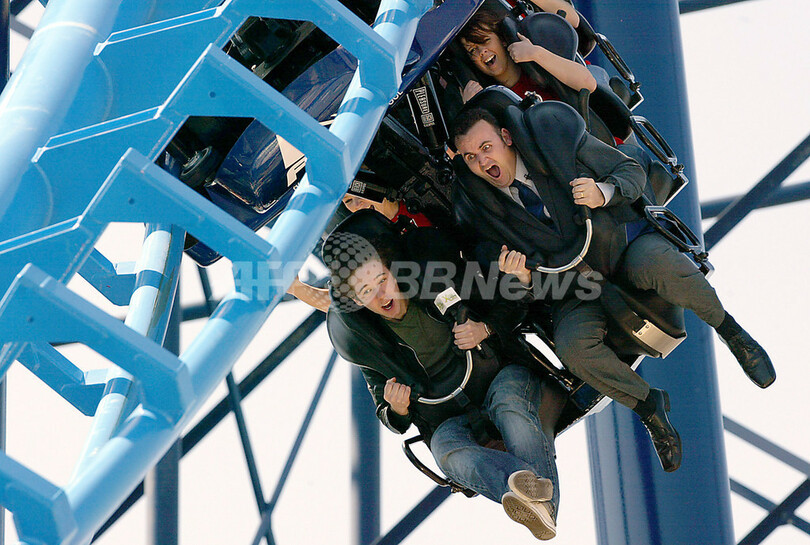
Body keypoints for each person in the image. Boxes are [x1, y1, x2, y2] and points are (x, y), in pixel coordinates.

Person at [450, 105, 776, 473]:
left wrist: (602, 192)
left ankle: (733, 334)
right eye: (471, 157)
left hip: (621, 250)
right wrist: (522, 279)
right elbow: (519, 292)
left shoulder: (554, 143)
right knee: (573, 349)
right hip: (575, 289)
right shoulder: (482, 212)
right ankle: (649, 406)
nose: (482, 161)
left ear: (506, 138)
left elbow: (631, 172)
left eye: (486, 147)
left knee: (664, 266)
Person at [324, 210, 561, 540]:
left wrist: (485, 328)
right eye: (366, 291)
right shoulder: (365, 341)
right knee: (445, 450)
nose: (381, 295)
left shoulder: (437, 278)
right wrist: (397, 408)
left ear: (393, 269)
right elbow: (389, 415)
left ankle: (537, 502)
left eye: (381, 280)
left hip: (498, 377)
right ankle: (526, 488)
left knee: (511, 406)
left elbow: (513, 303)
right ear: (355, 301)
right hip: (447, 417)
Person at [287, 191, 435, 312]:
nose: (358, 204)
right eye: (348, 201)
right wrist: (296, 288)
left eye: (361, 193)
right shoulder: (368, 247)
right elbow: (349, 306)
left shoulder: (419, 195)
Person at [457, 5, 596, 104]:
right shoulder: (491, 98)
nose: (482, 52)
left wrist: (535, 53)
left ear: (503, 40)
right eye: (472, 50)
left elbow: (588, 84)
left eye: (485, 41)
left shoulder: (539, 63)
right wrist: (471, 107)